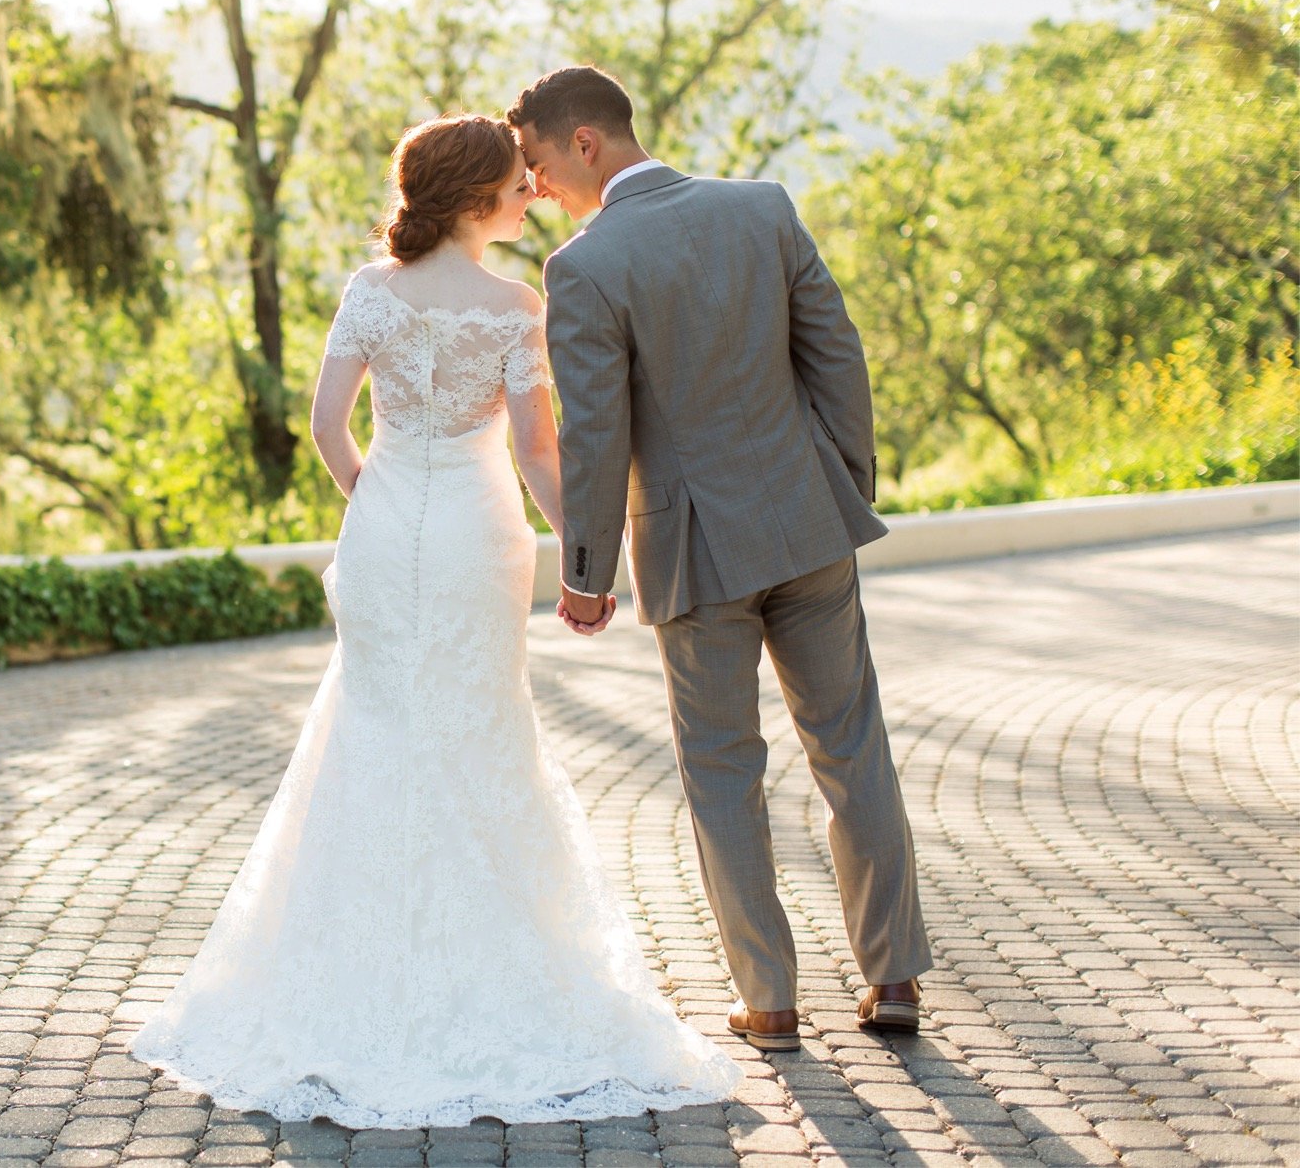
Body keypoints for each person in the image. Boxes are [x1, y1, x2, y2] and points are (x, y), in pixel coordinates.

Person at [130, 115, 740, 1126]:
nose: (529, 196)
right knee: (475, 729)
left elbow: (328, 425)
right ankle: (483, 971)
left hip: (382, 526)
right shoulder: (513, 304)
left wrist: (370, 492)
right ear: (469, 203)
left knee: (370, 731)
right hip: (473, 530)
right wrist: (585, 561)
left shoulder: (369, 292)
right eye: (513, 187)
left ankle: (344, 980)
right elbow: (541, 455)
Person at [510, 65, 930, 1052]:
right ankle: (893, 977)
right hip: (806, 521)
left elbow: (597, 429)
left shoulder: (583, 266)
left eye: (535, 165)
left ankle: (769, 1001)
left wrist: (584, 572)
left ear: (584, 144)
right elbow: (837, 354)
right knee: (850, 746)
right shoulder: (762, 208)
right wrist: (843, 483)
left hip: (694, 552)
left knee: (720, 773)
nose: (532, 191)